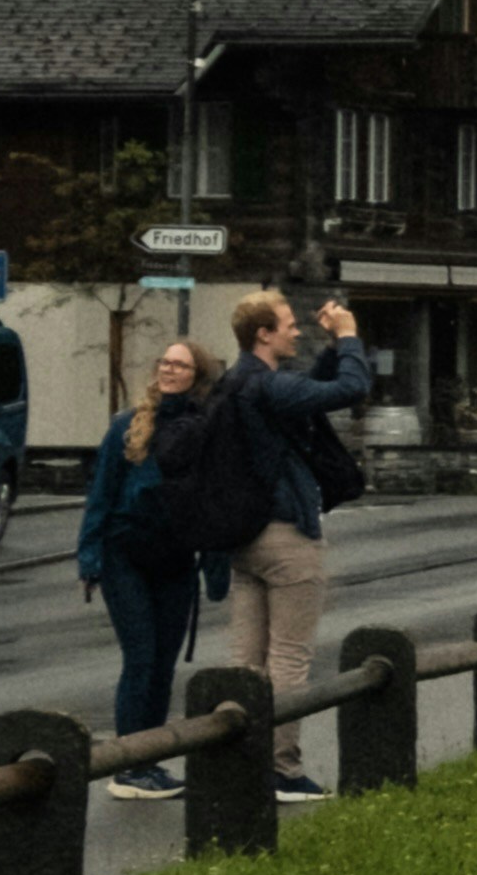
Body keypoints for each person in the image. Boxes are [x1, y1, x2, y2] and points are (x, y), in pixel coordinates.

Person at [205, 287, 372, 801]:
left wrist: (326, 347)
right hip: (287, 538)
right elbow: (350, 388)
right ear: (263, 334)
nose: (295, 329)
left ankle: (240, 760)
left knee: (246, 659)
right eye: (287, 323)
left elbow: (307, 391)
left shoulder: (236, 384)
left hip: (244, 538)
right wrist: (348, 337)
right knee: (289, 659)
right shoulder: (268, 388)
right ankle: (282, 769)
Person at [76, 339, 214, 801]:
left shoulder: (202, 429)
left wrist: (215, 563)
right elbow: (101, 493)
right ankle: (128, 766)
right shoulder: (127, 425)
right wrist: (89, 556)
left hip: (175, 560)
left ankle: (149, 761)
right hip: (125, 555)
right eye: (165, 363)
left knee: (163, 665)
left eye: (181, 365)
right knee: (140, 657)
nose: (170, 370)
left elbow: (211, 503)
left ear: (198, 376)